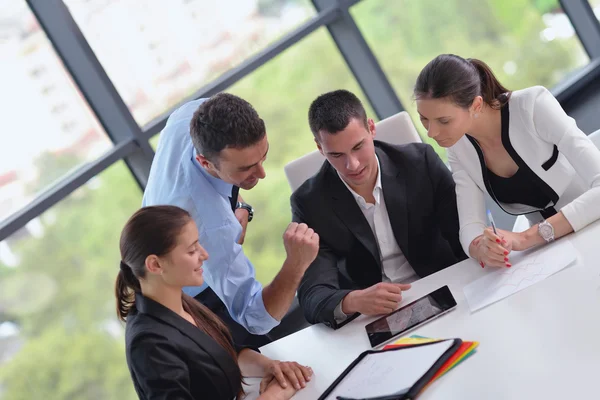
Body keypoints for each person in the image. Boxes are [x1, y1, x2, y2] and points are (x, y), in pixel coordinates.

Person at [142, 93, 319, 345]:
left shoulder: (191, 115)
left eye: (263, 156)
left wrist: (239, 206)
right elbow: (255, 317)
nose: (262, 174)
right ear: (205, 162)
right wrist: (296, 263)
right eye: (246, 168)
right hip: (188, 301)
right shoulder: (210, 226)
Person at [291, 90, 466, 329]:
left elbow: (465, 232)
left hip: (444, 289)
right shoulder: (309, 203)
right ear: (320, 149)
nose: (352, 164)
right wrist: (351, 300)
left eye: (358, 146)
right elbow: (312, 295)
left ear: (371, 128)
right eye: (336, 155)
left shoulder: (420, 162)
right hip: (374, 318)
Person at [414, 54, 600, 268]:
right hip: (552, 253)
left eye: (443, 121)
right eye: (424, 119)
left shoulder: (533, 106)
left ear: (475, 105)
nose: (431, 132)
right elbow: (469, 225)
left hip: (591, 224)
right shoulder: (458, 148)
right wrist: (480, 247)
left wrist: (524, 238)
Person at [116, 205, 313, 399]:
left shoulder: (179, 302)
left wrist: (270, 366)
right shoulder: (148, 345)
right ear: (155, 264)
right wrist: (274, 395)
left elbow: (223, 356)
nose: (204, 255)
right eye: (192, 250)